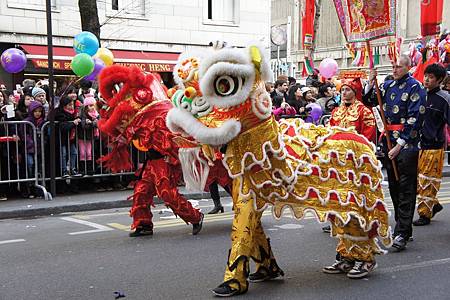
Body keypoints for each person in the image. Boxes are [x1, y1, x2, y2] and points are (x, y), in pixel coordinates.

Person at [364, 55, 427, 251]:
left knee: (406, 187)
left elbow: (416, 118)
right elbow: (370, 100)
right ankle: (403, 226)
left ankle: (402, 231)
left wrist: (399, 145)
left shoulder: (416, 87)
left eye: (398, 66)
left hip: (406, 144)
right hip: (387, 140)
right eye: (393, 66)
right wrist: (370, 81)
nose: (394, 69)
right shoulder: (388, 85)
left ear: (408, 67)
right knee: (393, 185)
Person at [413, 64, 450, 226]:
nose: (426, 79)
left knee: (428, 181)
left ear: (440, 80)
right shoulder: (419, 95)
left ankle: (425, 214)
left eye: (431, 77)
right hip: (415, 145)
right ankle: (433, 204)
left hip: (434, 146)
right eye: (425, 75)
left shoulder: (445, 98)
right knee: (414, 181)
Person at [21, 101, 45, 198]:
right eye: (35, 111)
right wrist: (31, 142)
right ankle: (30, 187)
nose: (38, 113)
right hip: (29, 149)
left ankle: (37, 189)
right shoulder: (27, 121)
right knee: (30, 165)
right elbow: (23, 134)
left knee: (38, 168)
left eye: (39, 111)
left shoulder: (42, 121)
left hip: (39, 149)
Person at [55, 97, 82, 178]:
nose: (72, 106)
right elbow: (63, 126)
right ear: (64, 105)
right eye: (69, 105)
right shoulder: (60, 113)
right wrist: (73, 123)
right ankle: (64, 170)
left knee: (74, 152)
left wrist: (79, 121)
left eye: (72, 104)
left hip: (71, 138)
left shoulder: (74, 113)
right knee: (63, 154)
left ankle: (72, 169)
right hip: (62, 138)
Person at [78, 94, 99, 176]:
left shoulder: (96, 114)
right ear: (86, 107)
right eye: (90, 106)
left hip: (90, 136)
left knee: (89, 153)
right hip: (82, 136)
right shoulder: (83, 114)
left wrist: (92, 123)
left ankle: (89, 169)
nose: (92, 107)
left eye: (93, 105)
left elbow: (98, 123)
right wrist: (88, 123)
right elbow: (83, 125)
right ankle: (83, 169)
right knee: (83, 153)